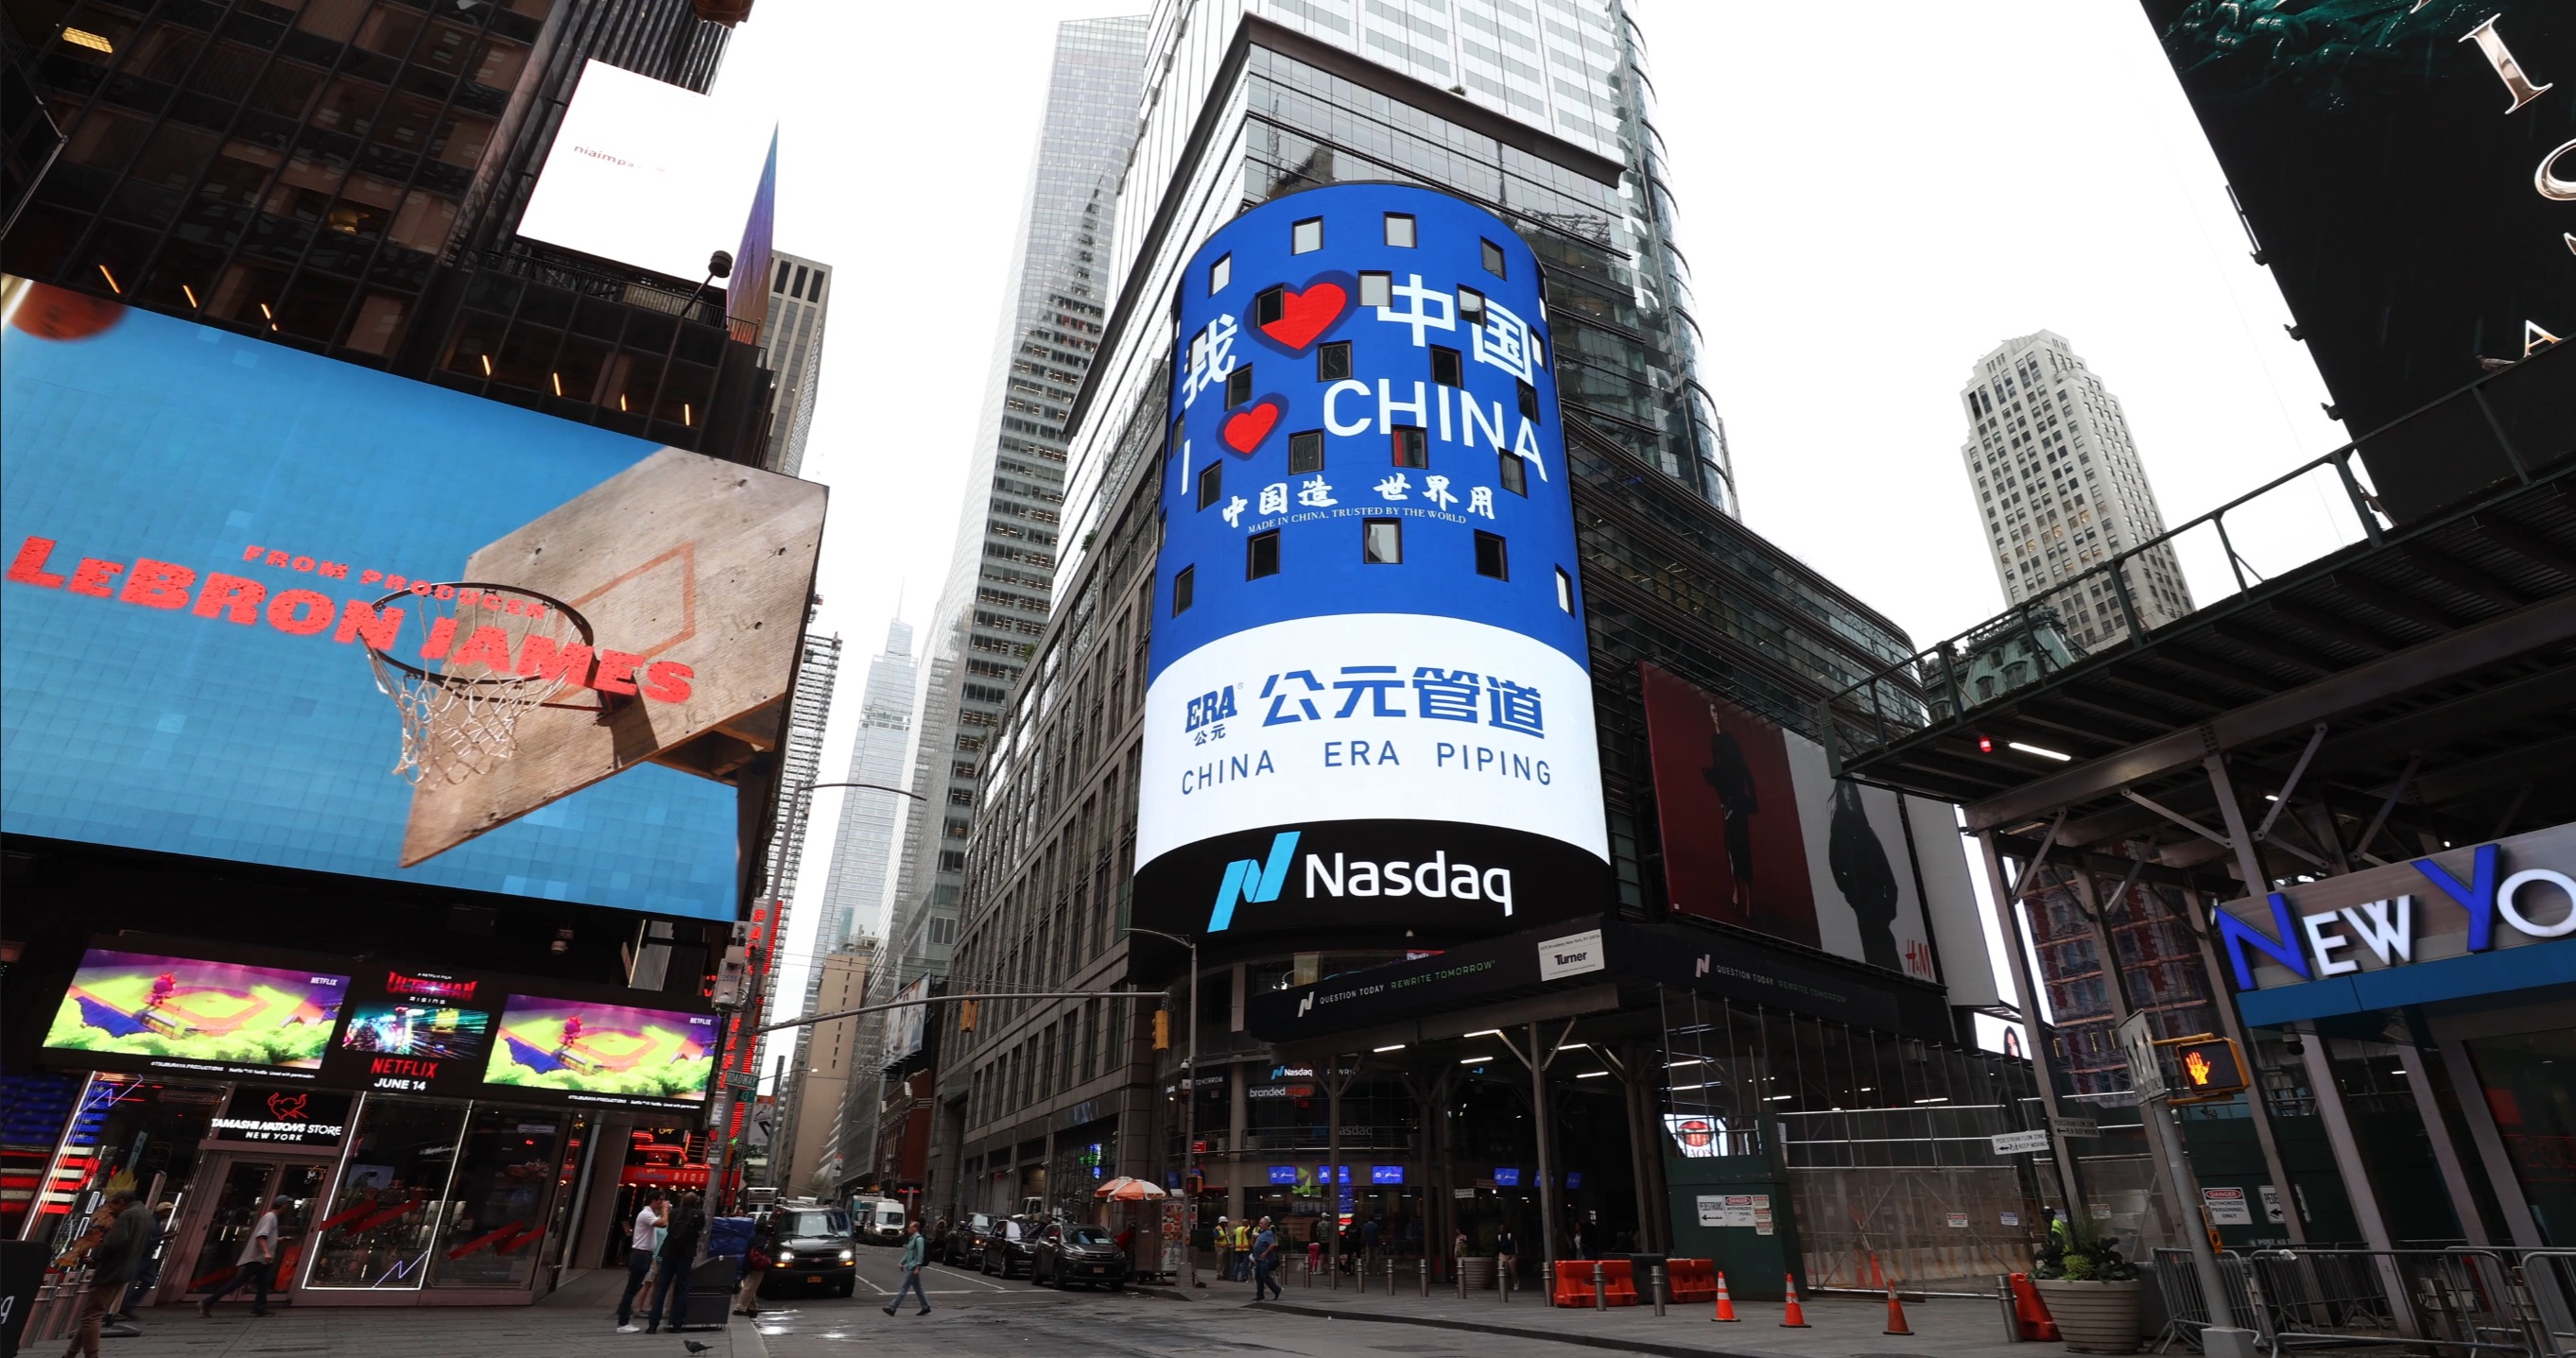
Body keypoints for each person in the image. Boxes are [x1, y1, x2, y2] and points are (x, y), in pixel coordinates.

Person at [62, 1194, 144, 1358]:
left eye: (112, 1206)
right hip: (125, 1270)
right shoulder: (144, 1214)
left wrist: (97, 1256)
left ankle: (92, 1355)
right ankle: (70, 1354)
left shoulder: (127, 1215)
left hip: (110, 1271)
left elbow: (113, 1243)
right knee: (92, 1314)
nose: (110, 1210)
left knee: (91, 1315)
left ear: (121, 1202)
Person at [198, 1195, 285, 1317]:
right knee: (240, 1282)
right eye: (286, 1205)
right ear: (283, 1205)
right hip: (259, 1258)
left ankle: (260, 1307)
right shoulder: (270, 1217)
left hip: (262, 1259)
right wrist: (266, 1252)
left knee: (263, 1282)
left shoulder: (271, 1217)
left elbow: (266, 1236)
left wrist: (278, 1239)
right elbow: (261, 1236)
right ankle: (208, 1302)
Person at [647, 1192, 704, 1333]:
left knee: (661, 1288)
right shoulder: (699, 1214)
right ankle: (677, 1324)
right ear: (696, 1202)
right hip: (686, 1253)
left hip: (669, 1252)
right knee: (682, 1288)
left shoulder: (674, 1213)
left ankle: (653, 1324)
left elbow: (668, 1226)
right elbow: (700, 1228)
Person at [613, 1192, 666, 1332]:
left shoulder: (649, 1214)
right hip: (640, 1255)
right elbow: (663, 1223)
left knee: (634, 1288)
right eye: (660, 1201)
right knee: (632, 1289)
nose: (662, 1203)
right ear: (653, 1201)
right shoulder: (646, 1214)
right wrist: (665, 1210)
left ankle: (623, 1320)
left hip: (644, 1255)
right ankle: (623, 1322)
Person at [885, 1220, 930, 1316]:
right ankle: (926, 1306)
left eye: (910, 1227)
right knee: (918, 1288)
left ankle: (892, 1307)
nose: (909, 1229)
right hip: (910, 1266)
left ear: (915, 1228)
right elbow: (908, 1253)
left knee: (903, 1288)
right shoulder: (912, 1239)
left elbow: (920, 1254)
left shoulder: (918, 1239)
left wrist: (918, 1267)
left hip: (913, 1267)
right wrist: (901, 1262)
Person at [1251, 1216, 1282, 1301]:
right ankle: (1260, 1295)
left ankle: (1276, 1290)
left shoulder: (1268, 1233)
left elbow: (1272, 1244)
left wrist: (1265, 1253)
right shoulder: (1261, 1233)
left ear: (1266, 1224)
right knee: (1258, 1277)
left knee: (1264, 1276)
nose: (1259, 1225)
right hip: (1259, 1259)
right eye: (1259, 1223)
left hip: (1266, 1260)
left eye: (1261, 1223)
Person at [1493, 1225, 1517, 1294]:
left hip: (1511, 1254)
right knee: (1503, 1270)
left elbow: (1513, 1245)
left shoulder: (1510, 1236)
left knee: (1512, 1271)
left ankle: (1515, 1282)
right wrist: (1495, 1255)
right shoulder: (1499, 1237)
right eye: (1500, 1228)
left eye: (1503, 1228)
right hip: (1502, 1254)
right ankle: (1504, 1284)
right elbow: (1497, 1246)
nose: (1501, 1229)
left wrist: (1511, 1254)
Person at [1213, 1215, 1231, 1283]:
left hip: (1225, 1247)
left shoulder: (1225, 1229)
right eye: (1225, 1222)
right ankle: (1218, 1274)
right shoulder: (1216, 1229)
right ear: (1222, 1222)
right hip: (1219, 1247)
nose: (1227, 1223)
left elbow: (1227, 1238)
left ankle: (1223, 1274)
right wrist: (1225, 1236)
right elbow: (1216, 1237)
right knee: (1219, 1261)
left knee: (1223, 1262)